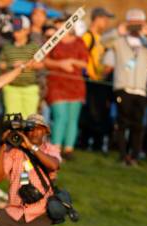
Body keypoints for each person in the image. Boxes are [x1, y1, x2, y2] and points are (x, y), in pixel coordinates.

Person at [102, 9, 147, 166]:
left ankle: (134, 156)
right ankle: (123, 156)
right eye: (133, 24)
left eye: (139, 24)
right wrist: (118, 31)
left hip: (140, 90)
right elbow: (104, 41)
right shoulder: (119, 39)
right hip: (123, 87)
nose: (135, 27)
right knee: (122, 123)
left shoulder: (146, 42)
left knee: (138, 125)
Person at [0, 113, 61, 226]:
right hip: (13, 211)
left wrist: (31, 147)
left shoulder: (50, 149)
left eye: (38, 128)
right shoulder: (14, 150)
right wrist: (3, 146)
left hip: (38, 213)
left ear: (45, 131)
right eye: (30, 128)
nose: (34, 132)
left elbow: (54, 165)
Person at [44, 18, 89, 160]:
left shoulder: (79, 42)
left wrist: (72, 61)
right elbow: (44, 60)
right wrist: (60, 64)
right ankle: (55, 148)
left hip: (75, 85)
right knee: (60, 116)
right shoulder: (52, 41)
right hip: (57, 84)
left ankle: (69, 149)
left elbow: (84, 62)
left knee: (72, 118)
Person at [79, 7, 115, 153]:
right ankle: (84, 143)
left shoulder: (103, 38)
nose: (107, 22)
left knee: (100, 114)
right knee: (89, 114)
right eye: (105, 19)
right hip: (90, 82)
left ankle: (97, 145)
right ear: (97, 18)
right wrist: (86, 74)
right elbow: (81, 56)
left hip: (101, 82)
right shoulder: (87, 36)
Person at [0, 16, 42, 117]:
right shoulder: (7, 46)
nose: (15, 34)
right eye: (14, 31)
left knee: (30, 121)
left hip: (30, 88)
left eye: (19, 31)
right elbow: (1, 64)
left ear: (27, 30)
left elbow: (41, 64)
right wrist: (12, 64)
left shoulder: (34, 46)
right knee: (12, 121)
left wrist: (28, 64)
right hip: (11, 88)